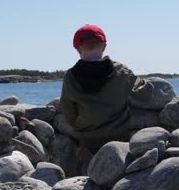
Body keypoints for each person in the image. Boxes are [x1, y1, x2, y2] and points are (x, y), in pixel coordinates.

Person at [59, 24, 153, 174]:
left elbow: (67, 108)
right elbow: (144, 93)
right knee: (120, 168)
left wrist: (77, 125)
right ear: (104, 46)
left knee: (89, 172)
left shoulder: (71, 76)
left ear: (78, 49)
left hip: (87, 137)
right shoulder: (121, 71)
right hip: (119, 134)